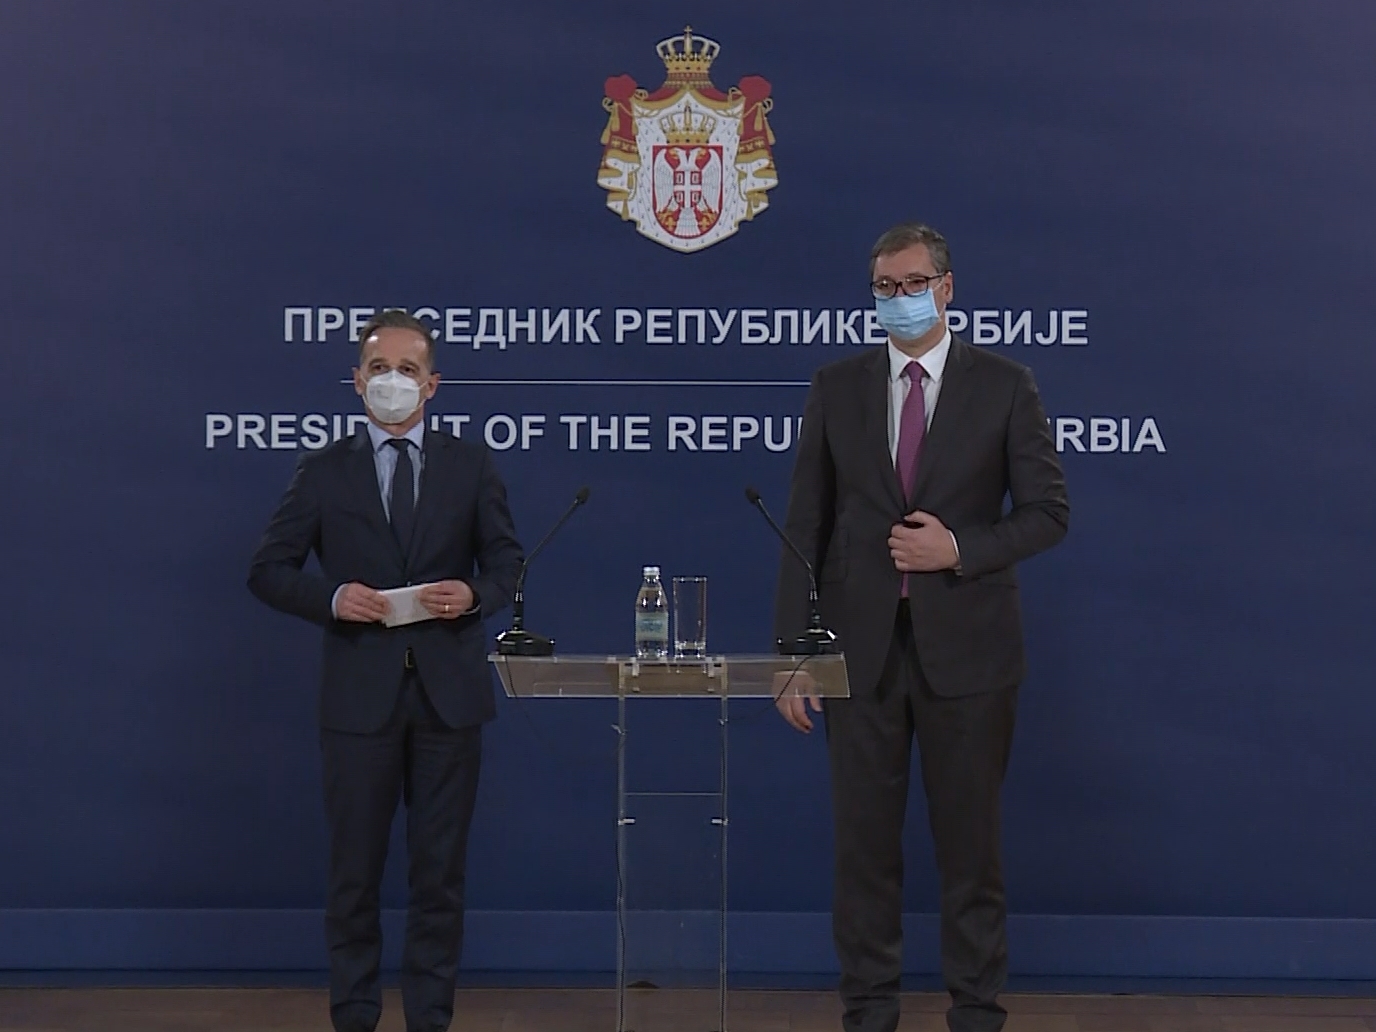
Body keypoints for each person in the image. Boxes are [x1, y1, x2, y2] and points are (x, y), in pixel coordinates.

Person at [773, 224, 1070, 1032]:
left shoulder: (1005, 385)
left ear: (946, 287)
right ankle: (868, 1011)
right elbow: (807, 524)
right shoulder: (837, 386)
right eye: (884, 287)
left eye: (912, 284)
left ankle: (975, 1010)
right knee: (863, 853)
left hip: (970, 657)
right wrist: (795, 652)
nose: (898, 299)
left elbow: (1048, 513)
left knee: (971, 852)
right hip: (860, 654)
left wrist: (958, 549)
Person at [248, 309, 523, 1032]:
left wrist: (474, 595)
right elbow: (269, 571)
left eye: (407, 369)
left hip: (447, 699)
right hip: (358, 700)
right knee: (354, 878)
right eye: (378, 369)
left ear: (433, 384)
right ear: (355, 381)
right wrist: (334, 598)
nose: (391, 381)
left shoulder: (471, 464)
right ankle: (355, 1015)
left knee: (440, 878)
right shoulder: (322, 470)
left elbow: (506, 564)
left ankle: (429, 1017)